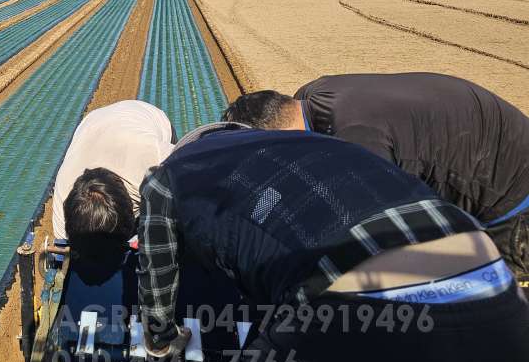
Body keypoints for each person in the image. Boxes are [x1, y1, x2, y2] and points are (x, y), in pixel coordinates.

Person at [136, 123, 529, 362]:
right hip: (501, 311)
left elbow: (158, 283)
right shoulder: (313, 146)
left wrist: (162, 339)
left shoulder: (171, 175)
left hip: (370, 315)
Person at [221, 74, 529, 280]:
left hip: (511, 201)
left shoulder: (359, 142)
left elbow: (375, 236)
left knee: (484, 308)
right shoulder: (310, 97)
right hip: (484, 152)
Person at [52, 100, 174, 245]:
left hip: (143, 114)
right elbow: (63, 250)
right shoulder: (64, 206)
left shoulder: (156, 160)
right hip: (92, 124)